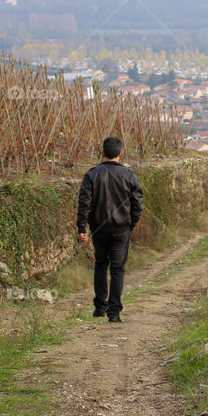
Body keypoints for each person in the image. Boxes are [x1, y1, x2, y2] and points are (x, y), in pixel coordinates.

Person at [76, 136, 143, 323]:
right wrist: (131, 223)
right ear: (121, 154)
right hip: (121, 228)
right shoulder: (129, 176)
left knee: (100, 264)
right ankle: (114, 312)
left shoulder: (92, 174)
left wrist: (82, 226)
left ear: (103, 153)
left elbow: (84, 203)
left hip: (98, 228)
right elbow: (137, 205)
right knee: (117, 269)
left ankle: (99, 307)